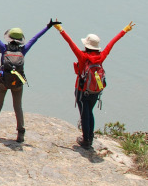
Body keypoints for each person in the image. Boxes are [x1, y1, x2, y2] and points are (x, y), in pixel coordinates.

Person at [0, 14, 55, 142]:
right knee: (18, 108)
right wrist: (48, 27)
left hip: (2, 82)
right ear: (20, 40)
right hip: (17, 83)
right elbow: (35, 38)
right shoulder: (23, 51)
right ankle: (20, 134)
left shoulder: (4, 48)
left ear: (9, 38)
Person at [54, 20, 135, 150]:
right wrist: (124, 30)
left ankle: (86, 140)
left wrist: (60, 29)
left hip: (81, 90)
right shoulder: (101, 57)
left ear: (86, 45)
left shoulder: (82, 56)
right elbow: (112, 43)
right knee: (90, 113)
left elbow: (71, 43)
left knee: (84, 114)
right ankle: (89, 137)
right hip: (95, 91)